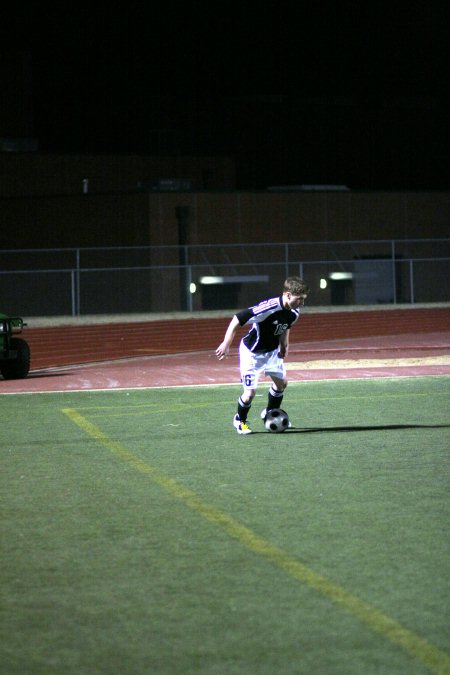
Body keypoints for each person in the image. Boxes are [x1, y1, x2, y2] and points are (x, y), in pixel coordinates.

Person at [216, 276, 309, 434]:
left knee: (282, 383)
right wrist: (226, 343)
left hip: (272, 352)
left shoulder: (294, 311)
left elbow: (286, 326)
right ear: (287, 295)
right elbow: (237, 318)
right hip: (252, 353)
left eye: (303, 299)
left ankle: (270, 413)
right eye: (299, 299)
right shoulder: (268, 308)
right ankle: (240, 420)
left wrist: (284, 346)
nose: (302, 303)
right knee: (250, 393)